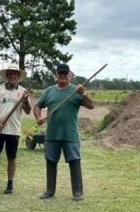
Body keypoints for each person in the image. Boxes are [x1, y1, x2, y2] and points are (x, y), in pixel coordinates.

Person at [33, 63, 94, 201]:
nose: (62, 76)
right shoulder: (49, 91)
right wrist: (38, 117)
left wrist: (83, 93)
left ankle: (78, 192)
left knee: (74, 161)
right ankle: (49, 191)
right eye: (60, 74)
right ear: (56, 76)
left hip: (70, 134)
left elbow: (91, 106)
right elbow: (37, 106)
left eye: (65, 74)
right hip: (52, 134)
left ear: (70, 76)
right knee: (50, 161)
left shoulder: (76, 91)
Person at [0, 63, 31, 194]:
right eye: (10, 74)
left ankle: (10, 184)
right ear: (6, 76)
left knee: (11, 158)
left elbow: (27, 110)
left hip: (13, 131)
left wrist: (25, 100)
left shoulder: (23, 92)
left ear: (18, 77)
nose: (12, 76)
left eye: (15, 74)